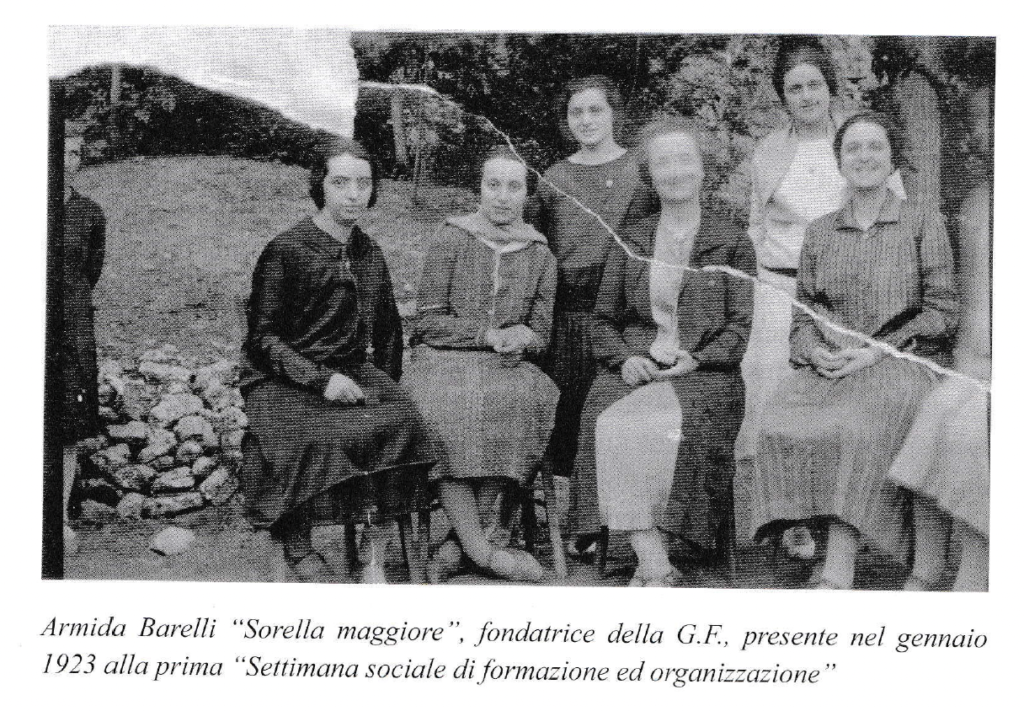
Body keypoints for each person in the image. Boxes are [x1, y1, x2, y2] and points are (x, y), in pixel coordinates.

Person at [751, 112, 959, 590]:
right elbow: (803, 317)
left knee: (858, 422)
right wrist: (813, 352)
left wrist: (877, 352)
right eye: (853, 149)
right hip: (833, 362)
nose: (864, 157)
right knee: (778, 416)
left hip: (903, 361)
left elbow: (942, 311)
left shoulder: (921, 219)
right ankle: (810, 541)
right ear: (840, 161)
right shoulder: (821, 231)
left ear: (893, 159)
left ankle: (838, 568)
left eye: (875, 147)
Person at [238, 136, 435, 583]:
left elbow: (388, 332)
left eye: (363, 184)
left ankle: (373, 550)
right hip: (280, 378)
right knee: (311, 437)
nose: (353, 194)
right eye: (341, 182)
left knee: (402, 421)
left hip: (350, 371)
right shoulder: (286, 249)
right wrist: (320, 380)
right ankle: (299, 547)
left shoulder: (370, 253)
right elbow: (263, 339)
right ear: (320, 186)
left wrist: (386, 388)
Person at [574, 118, 755, 586]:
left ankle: (651, 560)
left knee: (655, 426)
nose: (675, 172)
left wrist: (698, 358)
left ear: (703, 168)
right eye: (663, 163)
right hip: (635, 368)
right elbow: (602, 319)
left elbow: (739, 328)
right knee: (609, 421)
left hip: (704, 374)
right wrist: (624, 358)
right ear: (649, 175)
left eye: (684, 160)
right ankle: (653, 559)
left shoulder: (732, 240)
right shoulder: (631, 238)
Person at [405, 146, 559, 583]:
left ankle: (459, 546)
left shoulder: (540, 254)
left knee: (521, 402)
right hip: (442, 359)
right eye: (493, 185)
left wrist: (524, 336)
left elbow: (542, 333)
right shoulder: (452, 237)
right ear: (479, 188)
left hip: (505, 367)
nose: (503, 196)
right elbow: (427, 322)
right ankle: (483, 551)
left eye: (514, 187)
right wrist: (486, 334)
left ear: (527, 194)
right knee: (445, 410)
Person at [737, 38, 852, 560]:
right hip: (778, 289)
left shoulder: (856, 141)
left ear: (830, 87)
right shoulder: (768, 151)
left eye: (814, 84)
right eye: (794, 88)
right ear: (783, 96)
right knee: (774, 400)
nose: (806, 96)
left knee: (836, 401)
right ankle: (793, 517)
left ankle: (843, 512)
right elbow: (756, 225)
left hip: (844, 291)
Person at [533, 75, 655, 558]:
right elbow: (539, 246)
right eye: (576, 112)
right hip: (567, 314)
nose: (586, 121)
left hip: (622, 314)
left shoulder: (638, 172)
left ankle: (616, 519)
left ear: (614, 114)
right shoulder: (554, 177)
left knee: (612, 411)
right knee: (567, 413)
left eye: (595, 110)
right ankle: (578, 516)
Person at [889, 89, 992, 591]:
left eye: (992, 123)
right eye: (977, 126)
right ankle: (926, 570)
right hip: (979, 364)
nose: (982, 137)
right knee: (929, 420)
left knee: (972, 434)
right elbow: (973, 309)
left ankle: (973, 576)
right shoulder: (978, 202)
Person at [59, 132, 106, 555]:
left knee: (66, 429)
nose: (67, 158)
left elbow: (90, 272)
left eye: (75, 152)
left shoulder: (90, 213)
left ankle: (56, 522)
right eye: (60, 148)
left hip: (72, 331)